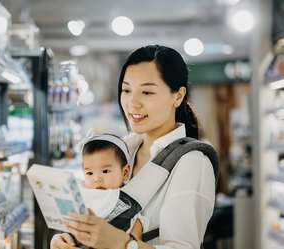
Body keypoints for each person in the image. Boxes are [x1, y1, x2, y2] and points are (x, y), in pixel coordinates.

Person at [51, 44, 217, 249]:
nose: (132, 103)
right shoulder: (122, 150)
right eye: (126, 90)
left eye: (147, 92)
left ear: (178, 96)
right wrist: (66, 238)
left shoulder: (191, 162)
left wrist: (121, 243)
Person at [77, 132, 148, 245]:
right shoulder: (82, 197)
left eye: (105, 171)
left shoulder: (130, 207)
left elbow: (134, 243)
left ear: (125, 172)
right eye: (89, 173)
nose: (97, 179)